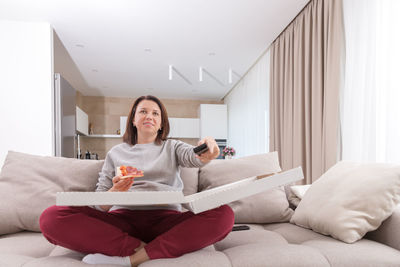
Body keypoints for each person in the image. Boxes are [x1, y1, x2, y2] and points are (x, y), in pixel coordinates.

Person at [39, 95, 234, 267]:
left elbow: (193, 157)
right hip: (121, 220)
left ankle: (134, 258)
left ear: (161, 124)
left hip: (166, 220)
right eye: (143, 111)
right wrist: (115, 192)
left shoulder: (173, 147)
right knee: (51, 217)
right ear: (133, 120)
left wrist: (209, 153)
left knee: (224, 213)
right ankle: (147, 248)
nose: (149, 116)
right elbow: (99, 206)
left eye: (155, 114)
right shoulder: (116, 153)